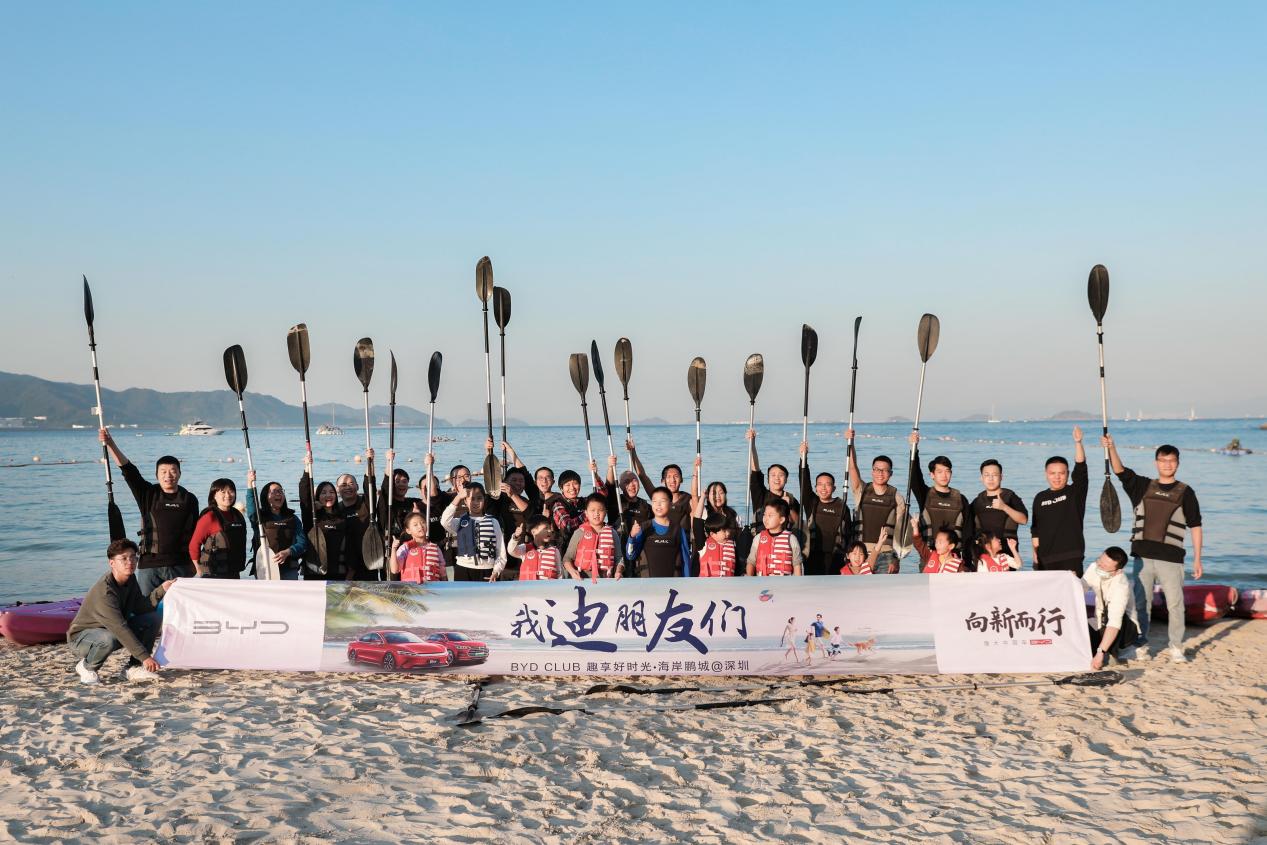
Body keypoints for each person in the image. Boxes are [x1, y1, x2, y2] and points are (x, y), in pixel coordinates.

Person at [1103, 436, 1203, 663]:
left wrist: (1198, 558)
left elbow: (1196, 526)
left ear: (1178, 463)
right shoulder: (1142, 486)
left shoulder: (1186, 492)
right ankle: (1141, 646)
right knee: (1141, 604)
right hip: (1143, 557)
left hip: (1172, 558)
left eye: (1172, 460)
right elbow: (1119, 471)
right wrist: (1112, 447)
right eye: (1163, 460)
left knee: (1175, 605)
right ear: (1156, 462)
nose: (1167, 464)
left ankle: (1176, 647)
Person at [99, 428, 199, 593]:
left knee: (178, 607)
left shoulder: (189, 499)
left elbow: (196, 535)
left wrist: (196, 564)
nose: (168, 475)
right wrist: (110, 443)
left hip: (180, 565)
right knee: (146, 606)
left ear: (180, 473)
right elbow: (129, 470)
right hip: (150, 567)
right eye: (163, 472)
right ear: (157, 475)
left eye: (173, 471)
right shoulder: (148, 494)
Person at [67, 539, 171, 684]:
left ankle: (132, 668)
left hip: (109, 632)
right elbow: (119, 627)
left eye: (133, 557)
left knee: (151, 619)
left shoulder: (130, 579)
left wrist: (162, 589)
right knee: (109, 638)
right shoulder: (105, 591)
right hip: (81, 639)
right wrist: (145, 657)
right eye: (124, 558)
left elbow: (141, 607)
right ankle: (87, 667)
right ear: (112, 563)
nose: (130, 562)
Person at [1030, 428, 1089, 576]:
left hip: (1071, 556)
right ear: (1046, 474)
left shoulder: (1075, 492)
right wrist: (1035, 555)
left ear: (1067, 474)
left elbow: (1081, 467)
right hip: (1045, 558)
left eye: (1061, 473)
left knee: (1071, 591)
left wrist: (1078, 443)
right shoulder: (1040, 497)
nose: (1057, 477)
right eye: (1052, 473)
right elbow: (1035, 529)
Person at [845, 434, 906, 574]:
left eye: (885, 470)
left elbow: (901, 532)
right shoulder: (861, 490)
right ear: (872, 471)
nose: (880, 473)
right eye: (877, 469)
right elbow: (853, 468)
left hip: (887, 555)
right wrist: (850, 442)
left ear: (891, 473)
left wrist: (896, 559)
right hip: (861, 554)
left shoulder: (897, 497)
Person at [908, 433, 972, 566]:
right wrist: (914, 448)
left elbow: (968, 531)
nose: (944, 475)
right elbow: (914, 477)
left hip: (955, 558)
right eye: (939, 471)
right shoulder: (925, 494)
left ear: (951, 473)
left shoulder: (961, 499)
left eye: (947, 471)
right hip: (929, 557)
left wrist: (967, 561)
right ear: (932, 475)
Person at [797, 440, 849, 576]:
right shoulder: (811, 502)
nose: (823, 488)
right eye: (820, 484)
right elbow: (804, 482)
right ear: (816, 488)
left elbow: (848, 533)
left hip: (836, 557)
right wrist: (803, 458)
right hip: (813, 556)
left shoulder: (842, 506)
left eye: (827, 484)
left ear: (834, 488)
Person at [1083, 546, 1140, 668]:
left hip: (1124, 626)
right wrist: (1071, 579)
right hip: (1100, 620)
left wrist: (1100, 652)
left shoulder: (1121, 586)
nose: (1099, 566)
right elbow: (1080, 589)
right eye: (1100, 560)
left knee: (1109, 615)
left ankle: (1115, 651)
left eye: (1104, 567)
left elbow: (1114, 623)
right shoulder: (1094, 567)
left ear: (1117, 571)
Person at [246, 473, 310, 580]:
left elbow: (302, 543)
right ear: (266, 497)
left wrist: (288, 552)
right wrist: (250, 483)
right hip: (265, 568)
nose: (278, 494)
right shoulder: (259, 518)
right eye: (274, 491)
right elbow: (251, 506)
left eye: (281, 491)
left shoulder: (293, 519)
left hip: (289, 570)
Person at [442, 482, 506, 581]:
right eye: (472, 499)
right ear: (465, 501)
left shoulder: (493, 522)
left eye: (479, 498)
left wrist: (497, 570)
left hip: (487, 570)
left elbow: (501, 550)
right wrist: (458, 497)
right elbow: (444, 521)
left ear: (484, 499)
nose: (476, 502)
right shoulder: (460, 522)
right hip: (463, 569)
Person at [299, 459, 350, 580]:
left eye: (332, 492)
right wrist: (307, 468)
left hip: (338, 573)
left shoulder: (342, 518)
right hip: (314, 573)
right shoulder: (312, 517)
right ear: (317, 497)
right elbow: (304, 496)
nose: (328, 495)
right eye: (323, 492)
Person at [628, 437, 693, 531]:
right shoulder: (658, 495)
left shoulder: (688, 499)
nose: (672, 480)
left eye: (676, 476)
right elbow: (642, 475)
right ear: (663, 480)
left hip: (681, 538)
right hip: (661, 537)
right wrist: (633, 452)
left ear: (682, 479)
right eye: (669, 477)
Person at [188, 478, 248, 578]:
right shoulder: (209, 517)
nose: (228, 495)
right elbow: (194, 545)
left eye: (231, 491)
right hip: (212, 573)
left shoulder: (238, 515)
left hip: (234, 571)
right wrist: (198, 568)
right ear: (214, 495)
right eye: (223, 492)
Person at [626, 487, 692, 578]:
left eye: (662, 501)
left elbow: (686, 560)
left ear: (670, 503)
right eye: (654, 501)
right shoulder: (644, 528)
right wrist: (632, 537)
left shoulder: (678, 530)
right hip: (649, 584)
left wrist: (687, 582)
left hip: (673, 584)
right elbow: (630, 555)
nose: (658, 505)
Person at [745, 428, 800, 530]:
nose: (777, 478)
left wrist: (789, 507)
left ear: (786, 479)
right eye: (773, 475)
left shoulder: (791, 499)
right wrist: (752, 444)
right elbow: (755, 468)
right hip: (762, 537)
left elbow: (797, 524)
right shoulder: (761, 494)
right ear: (768, 479)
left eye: (781, 475)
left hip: (783, 538)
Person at [971, 459, 1028, 556]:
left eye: (994, 475)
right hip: (984, 554)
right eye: (987, 475)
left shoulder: (1010, 497)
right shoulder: (978, 501)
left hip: (1008, 554)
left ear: (1001, 477)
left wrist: (1004, 507)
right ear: (981, 478)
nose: (990, 478)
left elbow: (1024, 520)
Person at [564, 494, 624, 580]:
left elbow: (619, 559)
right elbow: (567, 558)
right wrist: (572, 571)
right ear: (586, 513)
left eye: (600, 510)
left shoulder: (613, 533)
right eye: (592, 510)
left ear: (606, 512)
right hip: (582, 580)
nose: (596, 514)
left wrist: (618, 572)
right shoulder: (579, 533)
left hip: (605, 581)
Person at [746, 500, 804, 576]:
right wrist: (749, 579)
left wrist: (798, 581)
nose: (765, 519)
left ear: (782, 520)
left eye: (770, 516)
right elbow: (751, 562)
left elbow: (797, 565)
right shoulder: (758, 538)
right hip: (762, 581)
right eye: (764, 515)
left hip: (785, 582)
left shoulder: (792, 539)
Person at [391, 512, 447, 583]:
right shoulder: (405, 548)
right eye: (415, 525)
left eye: (423, 522)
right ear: (408, 530)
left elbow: (443, 573)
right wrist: (393, 549)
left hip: (433, 587)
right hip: (412, 588)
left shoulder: (436, 548)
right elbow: (394, 570)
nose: (420, 526)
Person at [502, 515, 563, 581]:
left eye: (550, 528)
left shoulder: (555, 551)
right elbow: (511, 550)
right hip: (528, 587)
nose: (549, 531)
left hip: (548, 587)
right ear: (533, 532)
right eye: (546, 528)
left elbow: (559, 573)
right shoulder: (525, 549)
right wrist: (515, 537)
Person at [696, 511, 736, 577]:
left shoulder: (732, 545)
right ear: (712, 534)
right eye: (724, 531)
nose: (728, 533)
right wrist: (701, 503)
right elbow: (697, 523)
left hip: (728, 583)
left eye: (728, 529)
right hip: (707, 583)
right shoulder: (703, 545)